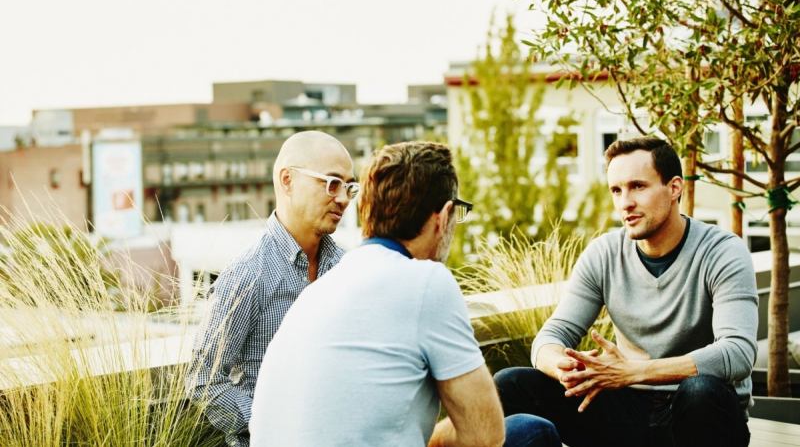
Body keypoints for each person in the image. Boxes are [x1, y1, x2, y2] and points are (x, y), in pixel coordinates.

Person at [249, 141, 561, 447]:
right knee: (530, 431)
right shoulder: (426, 281)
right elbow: (484, 433)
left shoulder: (320, 289)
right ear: (444, 216)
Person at [494, 137, 758, 447]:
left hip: (698, 414)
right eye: (616, 190)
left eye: (638, 187)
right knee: (510, 383)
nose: (625, 203)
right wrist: (566, 368)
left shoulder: (723, 251)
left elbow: (737, 353)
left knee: (699, 390)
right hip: (629, 412)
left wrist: (633, 372)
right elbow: (551, 337)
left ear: (674, 188)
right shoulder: (604, 253)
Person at [185, 130, 359, 447]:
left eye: (350, 187)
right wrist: (273, 424)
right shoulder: (248, 274)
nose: (344, 199)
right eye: (332, 183)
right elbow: (203, 379)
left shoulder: (347, 268)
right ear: (287, 180)